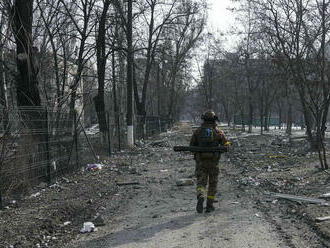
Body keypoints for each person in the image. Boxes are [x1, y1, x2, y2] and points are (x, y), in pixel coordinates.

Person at [190, 110, 230, 213]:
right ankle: (209, 206)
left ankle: (201, 195)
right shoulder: (219, 132)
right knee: (213, 184)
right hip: (214, 163)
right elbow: (226, 145)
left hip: (200, 163)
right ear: (214, 119)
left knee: (201, 183)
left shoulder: (197, 132)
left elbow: (191, 147)